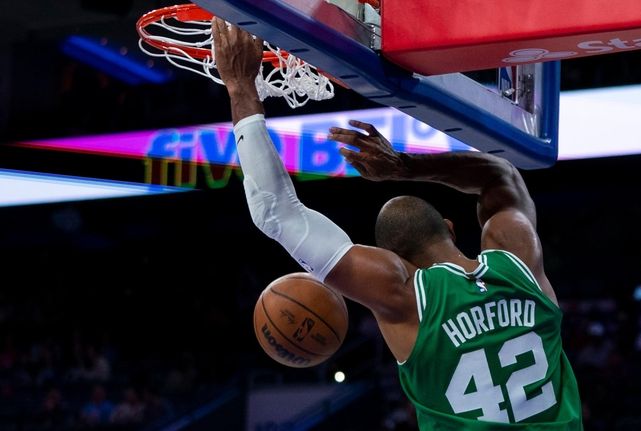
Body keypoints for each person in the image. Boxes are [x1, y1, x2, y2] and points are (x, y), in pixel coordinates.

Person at [212, 19, 582, 430]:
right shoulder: (518, 262)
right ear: (450, 227)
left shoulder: (403, 295)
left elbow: (276, 211)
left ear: (393, 259)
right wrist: (403, 166)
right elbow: (501, 175)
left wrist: (240, 87)